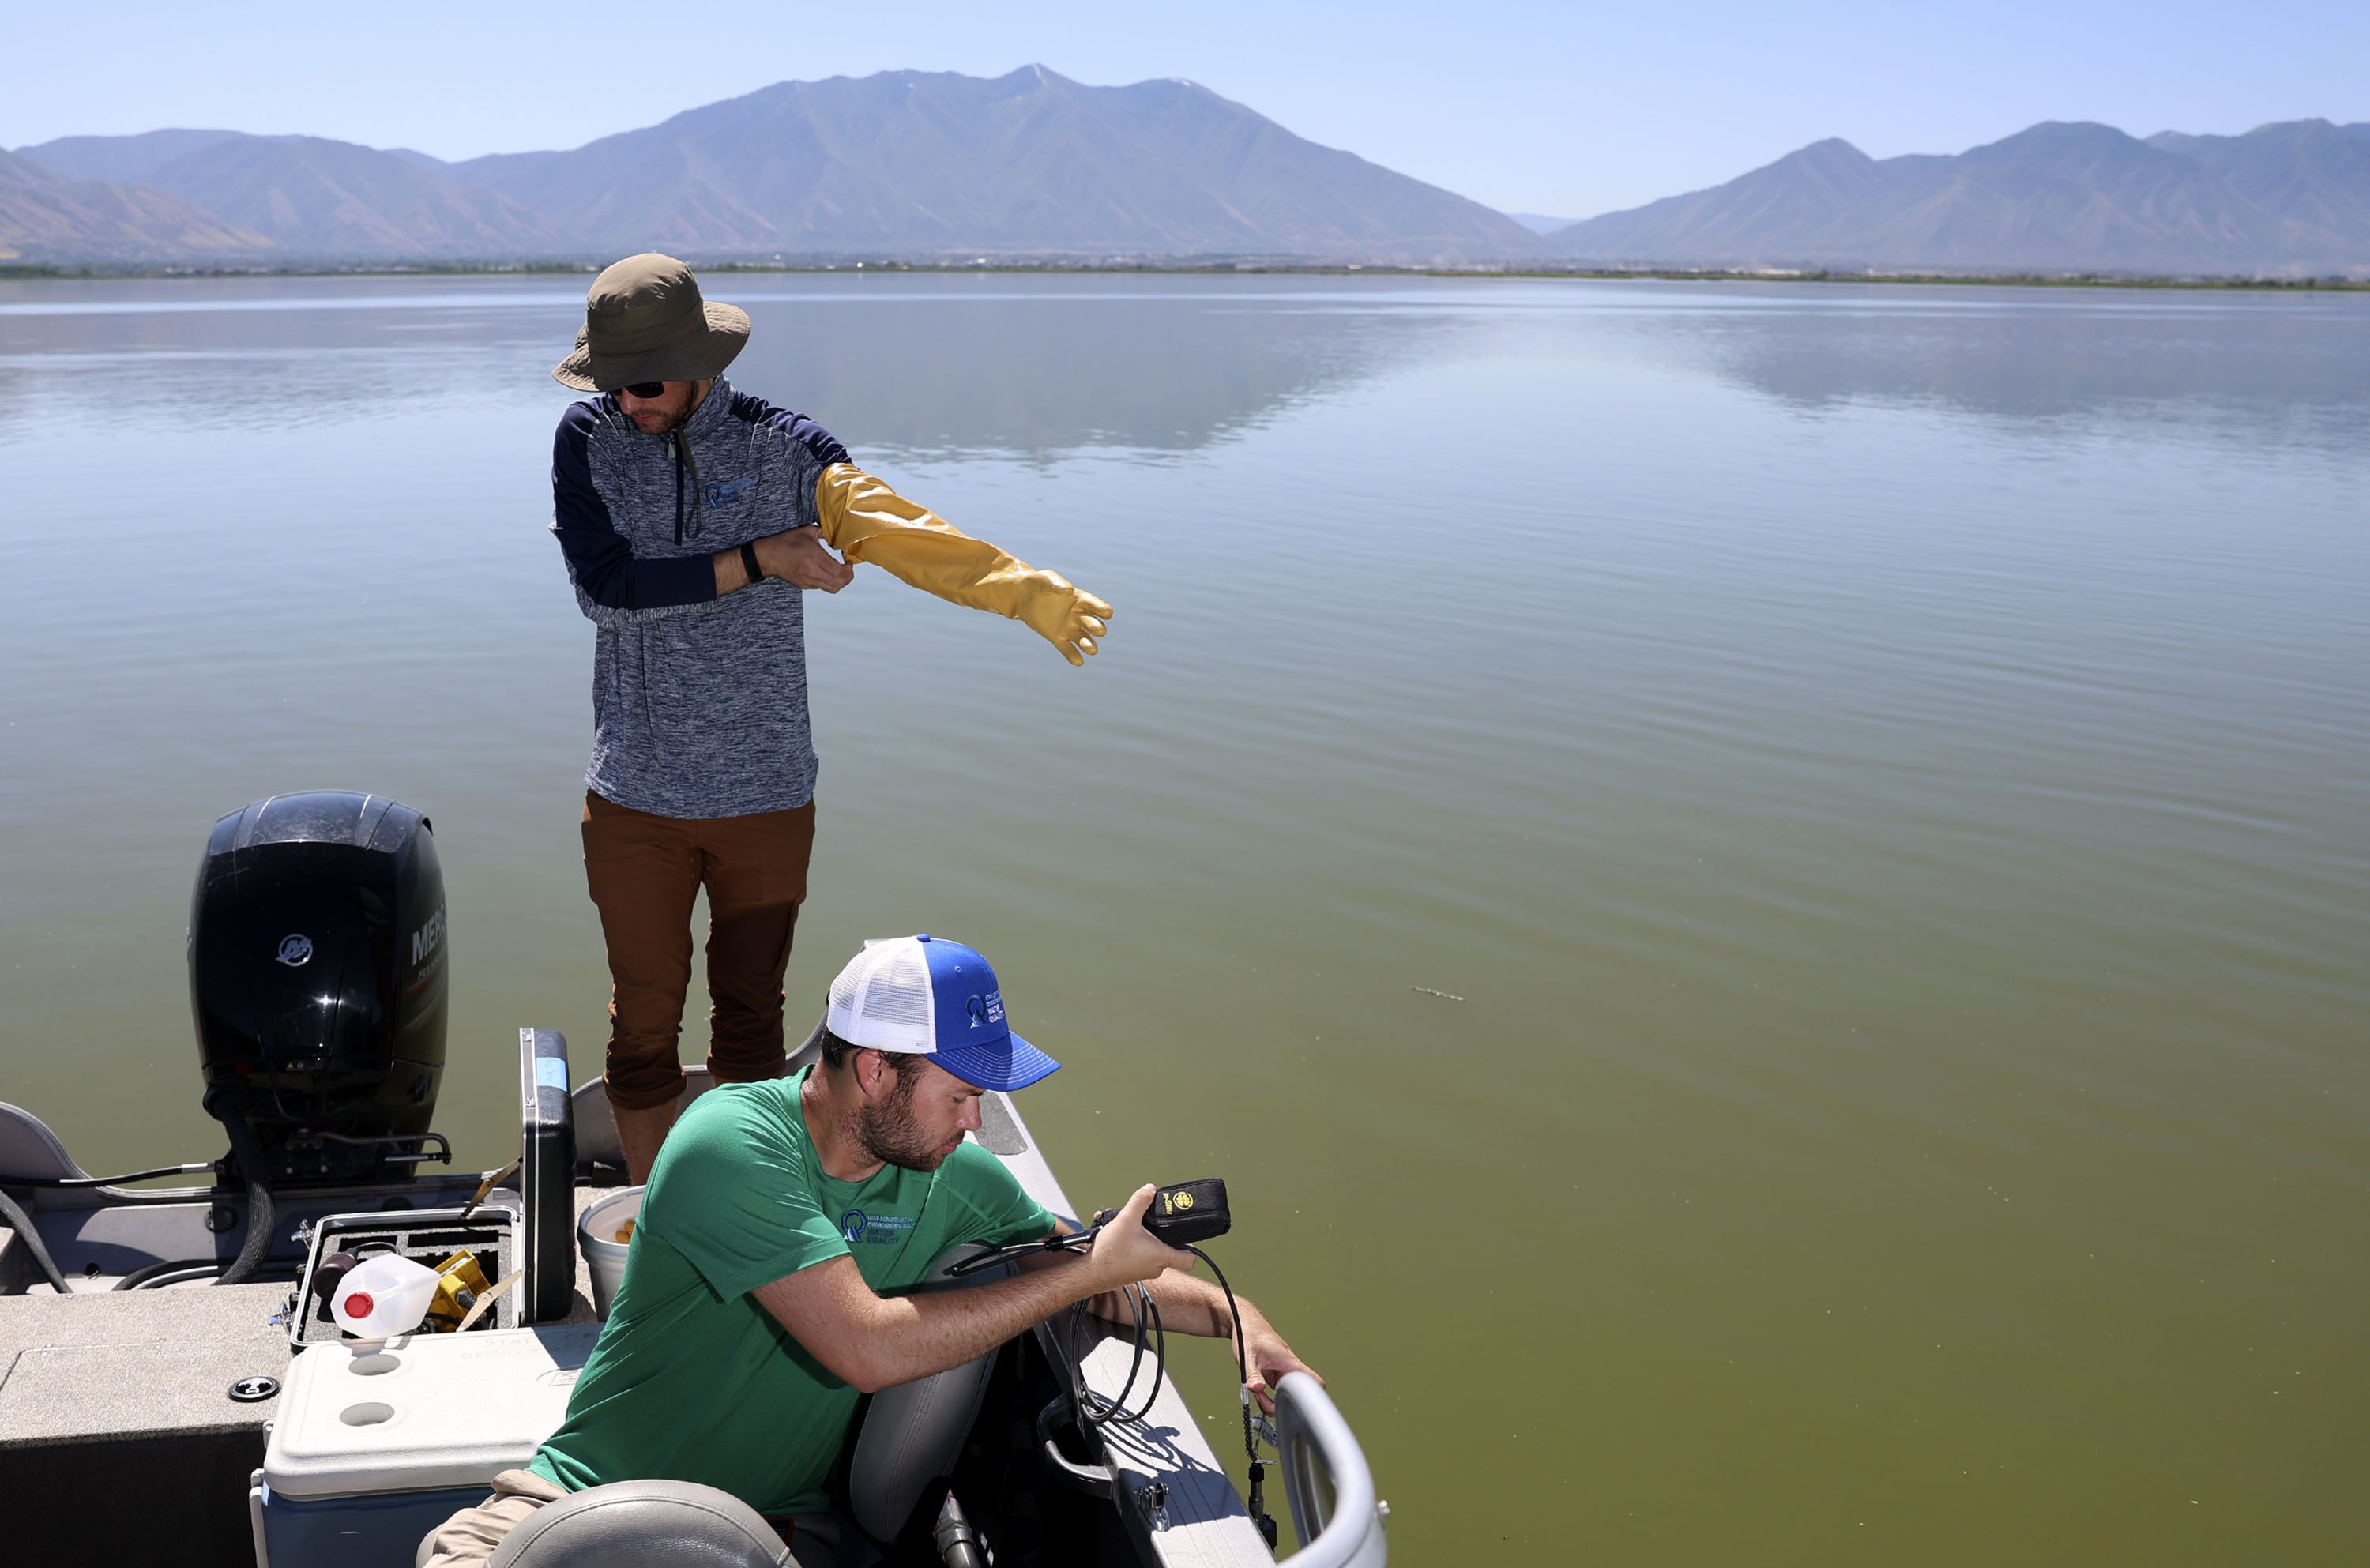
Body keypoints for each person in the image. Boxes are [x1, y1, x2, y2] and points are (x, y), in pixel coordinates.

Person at [419, 935, 1318, 1568]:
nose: (977, 1122)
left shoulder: (949, 1173)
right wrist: (1093, 1271)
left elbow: (1112, 1278)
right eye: (963, 1093)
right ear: (879, 1069)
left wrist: (1244, 1326)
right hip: (579, 1503)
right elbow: (869, 1344)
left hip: (774, 1533)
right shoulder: (731, 1141)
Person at [550, 254, 1116, 1182]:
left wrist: (1018, 589)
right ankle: (662, 1209)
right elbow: (607, 591)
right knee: (643, 1019)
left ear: (703, 366)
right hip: (634, 798)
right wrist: (762, 557)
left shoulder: (782, 446)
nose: (627, 402)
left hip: (765, 797)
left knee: (750, 1019)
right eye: (610, 382)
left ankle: (733, 1199)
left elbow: (894, 529)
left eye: (643, 383)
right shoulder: (590, 440)